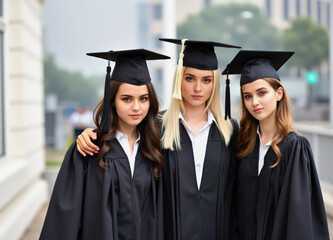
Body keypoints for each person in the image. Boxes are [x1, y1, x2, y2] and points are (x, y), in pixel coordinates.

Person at [76, 38, 241, 240]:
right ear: (179, 79)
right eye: (190, 78)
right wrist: (90, 135)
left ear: (215, 83)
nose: (198, 88)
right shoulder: (156, 126)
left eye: (207, 80)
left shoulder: (230, 131)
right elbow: (123, 138)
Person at [40, 49, 170, 240]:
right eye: (127, 99)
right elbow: (64, 218)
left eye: (143, 99)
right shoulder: (90, 150)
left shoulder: (155, 149)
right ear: (113, 101)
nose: (136, 107)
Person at [222, 50, 330, 240]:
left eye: (261, 93)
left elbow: (299, 220)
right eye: (247, 96)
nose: (254, 102)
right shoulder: (244, 146)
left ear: (278, 93)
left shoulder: (295, 147)